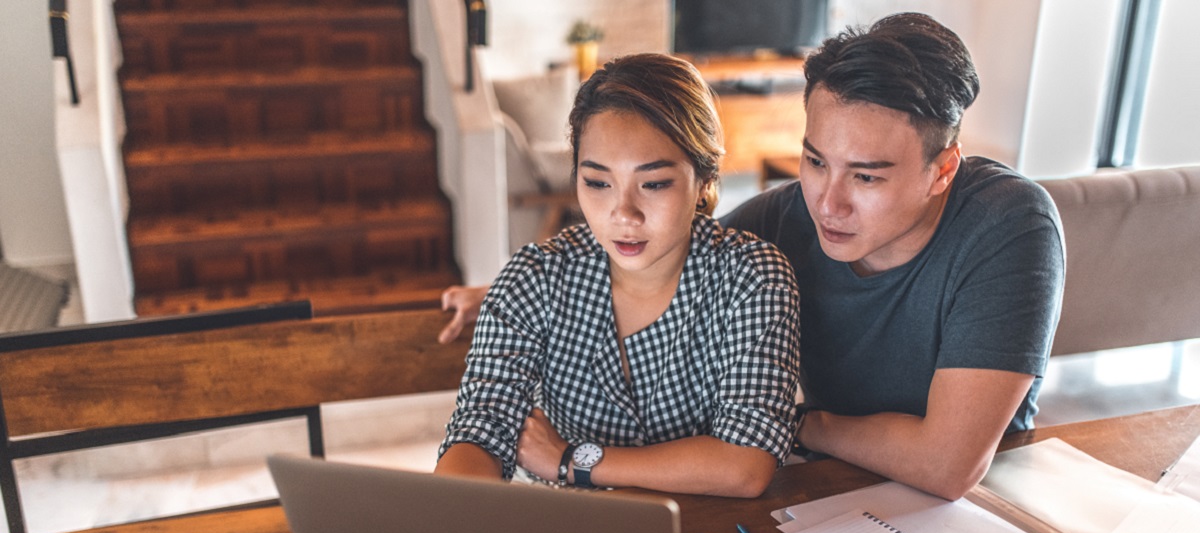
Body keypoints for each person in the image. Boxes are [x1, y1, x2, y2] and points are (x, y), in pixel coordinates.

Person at [439, 13, 1066, 501]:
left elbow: (947, 465)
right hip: (824, 494)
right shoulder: (783, 219)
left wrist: (795, 425)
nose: (828, 202)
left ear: (942, 170)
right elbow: (655, 250)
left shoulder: (1007, 223)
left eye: (867, 178)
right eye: (815, 160)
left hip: (978, 509)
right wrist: (502, 292)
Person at [434, 53, 801, 498]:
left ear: (704, 179)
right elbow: (481, 430)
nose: (622, 214)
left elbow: (746, 463)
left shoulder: (752, 278)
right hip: (576, 531)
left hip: (711, 529)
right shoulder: (534, 279)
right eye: (597, 182)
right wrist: (448, 514)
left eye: (654, 183)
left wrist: (572, 460)